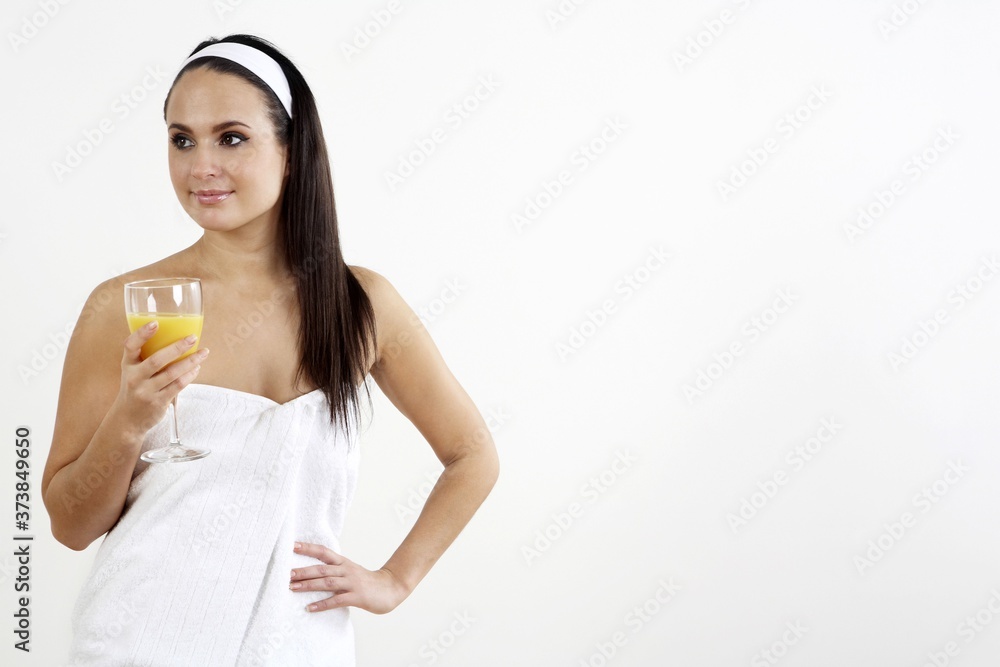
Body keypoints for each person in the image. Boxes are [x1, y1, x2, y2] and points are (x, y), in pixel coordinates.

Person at [41, 34, 499, 666]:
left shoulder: (362, 305)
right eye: (182, 140)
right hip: (139, 643)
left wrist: (395, 580)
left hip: (302, 646)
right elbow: (70, 526)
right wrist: (127, 421)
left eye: (231, 138)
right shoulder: (124, 306)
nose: (200, 166)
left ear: (291, 151)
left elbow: (472, 455)